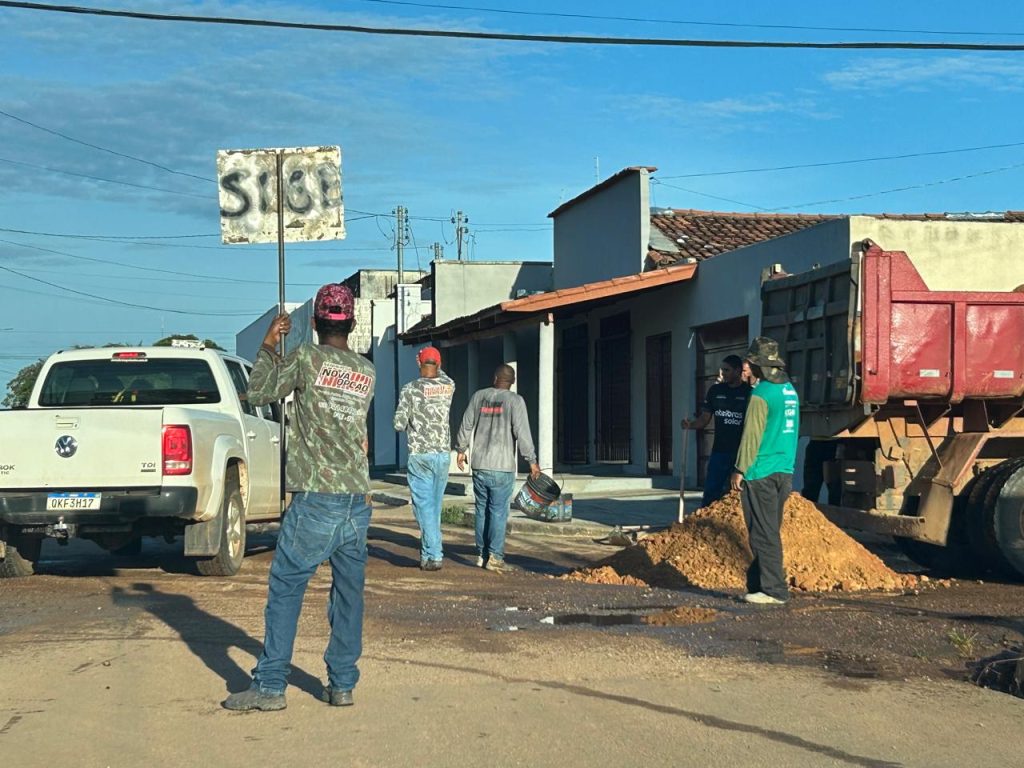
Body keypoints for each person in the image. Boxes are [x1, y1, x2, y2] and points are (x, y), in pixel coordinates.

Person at [223, 283, 375, 712]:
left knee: (287, 588)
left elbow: (259, 391)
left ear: (314, 323)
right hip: (356, 499)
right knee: (348, 595)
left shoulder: (307, 358)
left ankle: (270, 686)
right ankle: (342, 684)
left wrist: (270, 343)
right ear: (352, 323)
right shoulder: (367, 371)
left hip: (316, 497)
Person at [729, 337, 800, 606]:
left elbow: (751, 437)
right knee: (768, 529)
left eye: (749, 363)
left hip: (760, 472)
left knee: (762, 532)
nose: (745, 368)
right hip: (784, 470)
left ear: (760, 366)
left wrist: (739, 469)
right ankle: (758, 585)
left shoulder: (761, 395)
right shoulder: (789, 391)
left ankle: (774, 591)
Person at [455, 364, 540, 574]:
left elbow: (466, 424)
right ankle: (495, 557)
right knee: (498, 513)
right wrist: (532, 461)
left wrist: (461, 449)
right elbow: (523, 432)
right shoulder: (515, 401)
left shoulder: (479, 396)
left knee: (482, 510)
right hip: (502, 467)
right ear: (512, 382)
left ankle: (482, 555)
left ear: (495, 378)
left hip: (479, 464)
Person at [394, 346, 455, 571]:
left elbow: (398, 423)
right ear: (438, 365)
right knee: (434, 507)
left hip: (420, 455)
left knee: (424, 507)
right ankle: (428, 554)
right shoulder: (449, 386)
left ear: (419, 364)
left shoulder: (410, 389)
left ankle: (435, 553)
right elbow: (444, 374)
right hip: (442, 455)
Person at [682, 354, 751, 508]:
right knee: (711, 491)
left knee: (737, 493)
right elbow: (704, 419)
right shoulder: (715, 391)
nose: (723, 373)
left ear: (738, 370)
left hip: (741, 454)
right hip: (719, 451)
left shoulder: (749, 393)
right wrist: (690, 425)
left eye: (727, 370)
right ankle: (704, 522)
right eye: (722, 370)